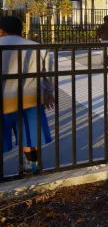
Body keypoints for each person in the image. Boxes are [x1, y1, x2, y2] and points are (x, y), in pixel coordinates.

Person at [0, 16, 54, 174]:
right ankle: (32, 164)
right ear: (20, 30)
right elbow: (48, 73)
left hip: (4, 99)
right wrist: (49, 93)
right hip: (30, 98)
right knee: (30, 133)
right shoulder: (37, 47)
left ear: (1, 30)